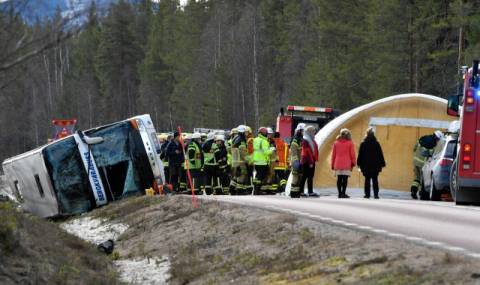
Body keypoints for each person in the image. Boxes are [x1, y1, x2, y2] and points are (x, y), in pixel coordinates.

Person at [411, 130, 443, 199]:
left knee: (416, 178)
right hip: (422, 163)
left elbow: (414, 148)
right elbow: (431, 155)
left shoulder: (423, 138)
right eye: (438, 139)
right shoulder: (432, 144)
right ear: (436, 138)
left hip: (415, 161)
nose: (438, 141)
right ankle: (421, 193)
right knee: (422, 179)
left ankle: (413, 191)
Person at [357, 127, 386, 199]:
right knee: (375, 179)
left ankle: (367, 195)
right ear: (373, 134)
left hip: (365, 165)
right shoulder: (376, 143)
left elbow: (360, 154)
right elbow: (380, 154)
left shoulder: (363, 143)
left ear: (366, 134)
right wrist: (383, 163)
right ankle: (376, 195)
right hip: (375, 165)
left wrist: (358, 163)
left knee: (367, 179)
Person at [331, 128, 356, 198]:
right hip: (347, 163)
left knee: (339, 179)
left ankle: (339, 193)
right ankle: (343, 193)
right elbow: (352, 154)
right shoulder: (350, 143)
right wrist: (354, 162)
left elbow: (333, 155)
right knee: (345, 179)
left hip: (337, 163)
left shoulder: (336, 143)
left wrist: (332, 164)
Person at [253, 127, 274, 194]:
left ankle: (255, 189)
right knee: (261, 176)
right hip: (262, 162)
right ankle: (258, 190)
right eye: (266, 133)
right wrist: (272, 149)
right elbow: (266, 152)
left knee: (257, 176)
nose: (267, 134)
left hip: (256, 161)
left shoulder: (255, 139)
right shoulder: (264, 141)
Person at [230, 125, 249, 194]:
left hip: (234, 160)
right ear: (243, 132)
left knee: (236, 175)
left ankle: (231, 189)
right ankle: (240, 190)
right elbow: (242, 151)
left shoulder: (235, 138)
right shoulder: (242, 139)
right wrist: (247, 159)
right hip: (240, 161)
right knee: (242, 174)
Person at [300, 126, 319, 197]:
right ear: (308, 132)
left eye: (314, 131)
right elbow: (306, 152)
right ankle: (301, 191)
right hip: (307, 161)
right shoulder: (305, 140)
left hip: (311, 160)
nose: (314, 132)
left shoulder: (311, 140)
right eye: (312, 131)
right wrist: (310, 162)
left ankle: (310, 191)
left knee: (310, 176)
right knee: (304, 176)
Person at [289, 123, 306, 198]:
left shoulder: (301, 139)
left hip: (300, 161)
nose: (304, 132)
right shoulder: (296, 139)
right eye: (303, 131)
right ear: (299, 130)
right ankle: (293, 193)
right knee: (295, 177)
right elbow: (293, 150)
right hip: (296, 161)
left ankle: (297, 192)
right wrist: (296, 161)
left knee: (299, 177)